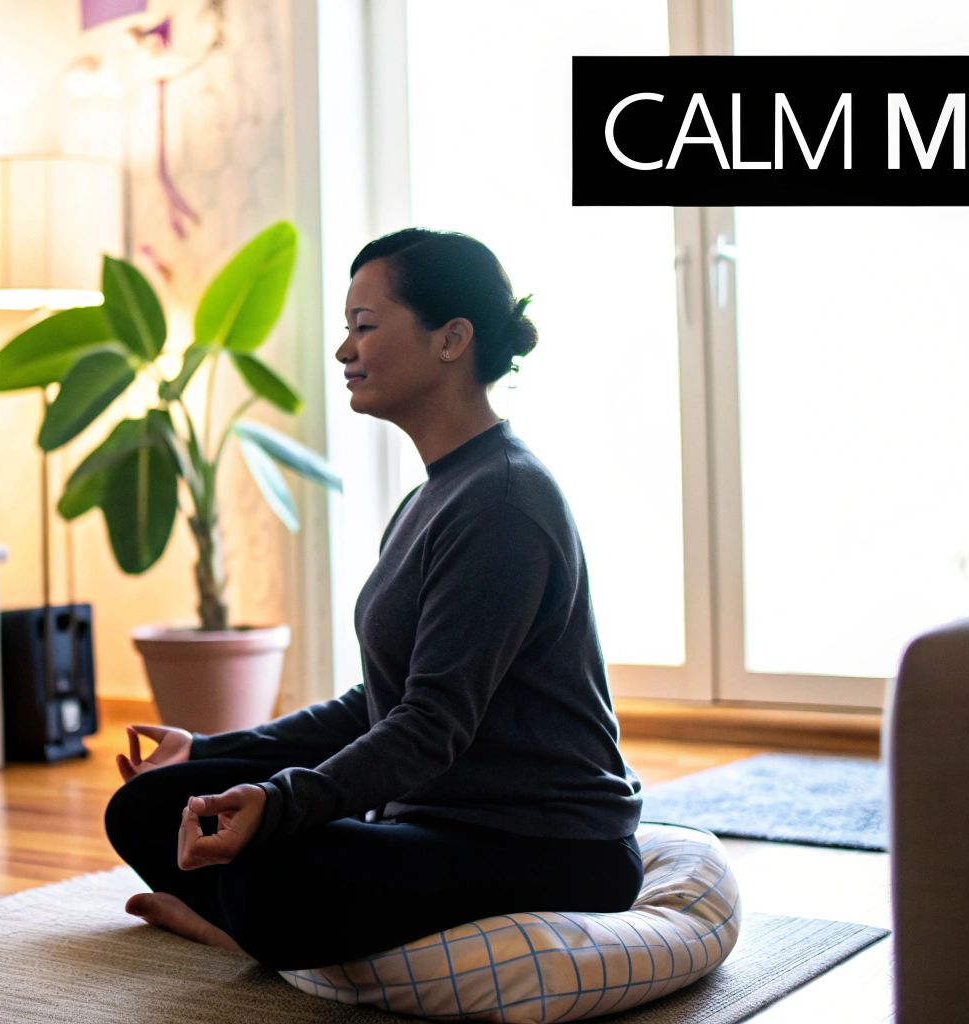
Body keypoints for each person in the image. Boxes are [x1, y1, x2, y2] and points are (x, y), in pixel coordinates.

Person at [102, 228, 644, 971]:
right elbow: (377, 705)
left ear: (451, 339)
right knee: (148, 807)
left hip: (544, 844)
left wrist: (284, 802)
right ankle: (262, 927)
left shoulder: (504, 504)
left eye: (364, 327)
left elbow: (428, 727)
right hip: (436, 822)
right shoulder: (436, 494)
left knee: (266, 864)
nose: (343, 351)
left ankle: (238, 928)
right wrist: (209, 750)